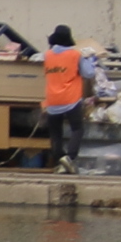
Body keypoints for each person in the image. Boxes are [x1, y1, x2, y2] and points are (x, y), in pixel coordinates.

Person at [36, 25, 88, 171]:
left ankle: (61, 161)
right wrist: (89, 59)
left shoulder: (47, 55)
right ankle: (69, 157)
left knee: (55, 133)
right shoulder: (75, 55)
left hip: (52, 99)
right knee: (77, 129)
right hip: (71, 99)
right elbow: (88, 74)